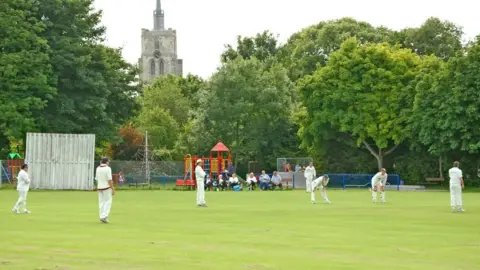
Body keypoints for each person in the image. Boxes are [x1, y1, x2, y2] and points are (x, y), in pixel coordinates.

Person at [95, 158, 115, 223]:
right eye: (108, 162)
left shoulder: (98, 168)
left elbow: (97, 179)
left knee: (101, 202)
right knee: (108, 202)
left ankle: (101, 217)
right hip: (106, 187)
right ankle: (104, 216)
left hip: (100, 187)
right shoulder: (108, 168)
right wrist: (113, 188)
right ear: (106, 162)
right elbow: (109, 180)